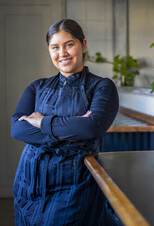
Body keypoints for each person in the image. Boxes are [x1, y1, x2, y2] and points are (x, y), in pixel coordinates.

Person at [11, 19, 119, 226]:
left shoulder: (102, 87)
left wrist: (41, 121)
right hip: (29, 180)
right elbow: (17, 129)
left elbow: (91, 127)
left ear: (83, 44)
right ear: (49, 50)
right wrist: (72, 129)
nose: (63, 53)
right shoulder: (37, 87)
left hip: (73, 184)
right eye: (55, 47)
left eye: (69, 44)